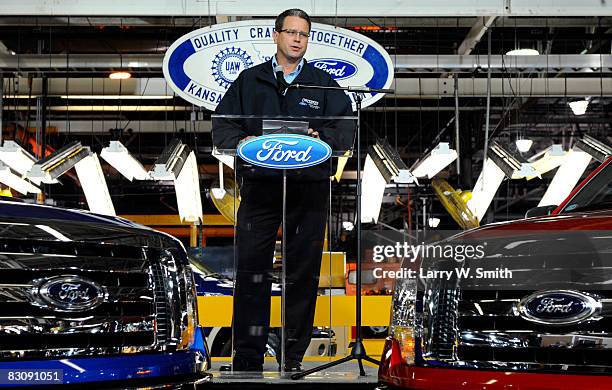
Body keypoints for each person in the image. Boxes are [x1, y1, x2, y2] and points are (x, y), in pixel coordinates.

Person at [212, 8, 354, 372]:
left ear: (307, 40)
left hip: (308, 191)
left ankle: (292, 358)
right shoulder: (249, 81)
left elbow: (345, 130)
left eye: (302, 34)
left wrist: (322, 137)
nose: (296, 39)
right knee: (251, 272)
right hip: (259, 188)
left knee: (303, 274)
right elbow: (222, 129)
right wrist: (243, 140)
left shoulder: (323, 85)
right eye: (290, 32)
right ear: (276, 36)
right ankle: (247, 358)